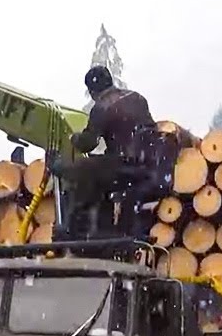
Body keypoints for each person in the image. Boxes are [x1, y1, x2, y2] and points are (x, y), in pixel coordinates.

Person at [52, 65, 175, 237]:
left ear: (93, 91)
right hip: (150, 163)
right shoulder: (137, 98)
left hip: (126, 166)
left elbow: (88, 143)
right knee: (99, 166)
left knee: (84, 171)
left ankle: (77, 229)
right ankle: (102, 229)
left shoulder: (102, 107)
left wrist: (74, 138)